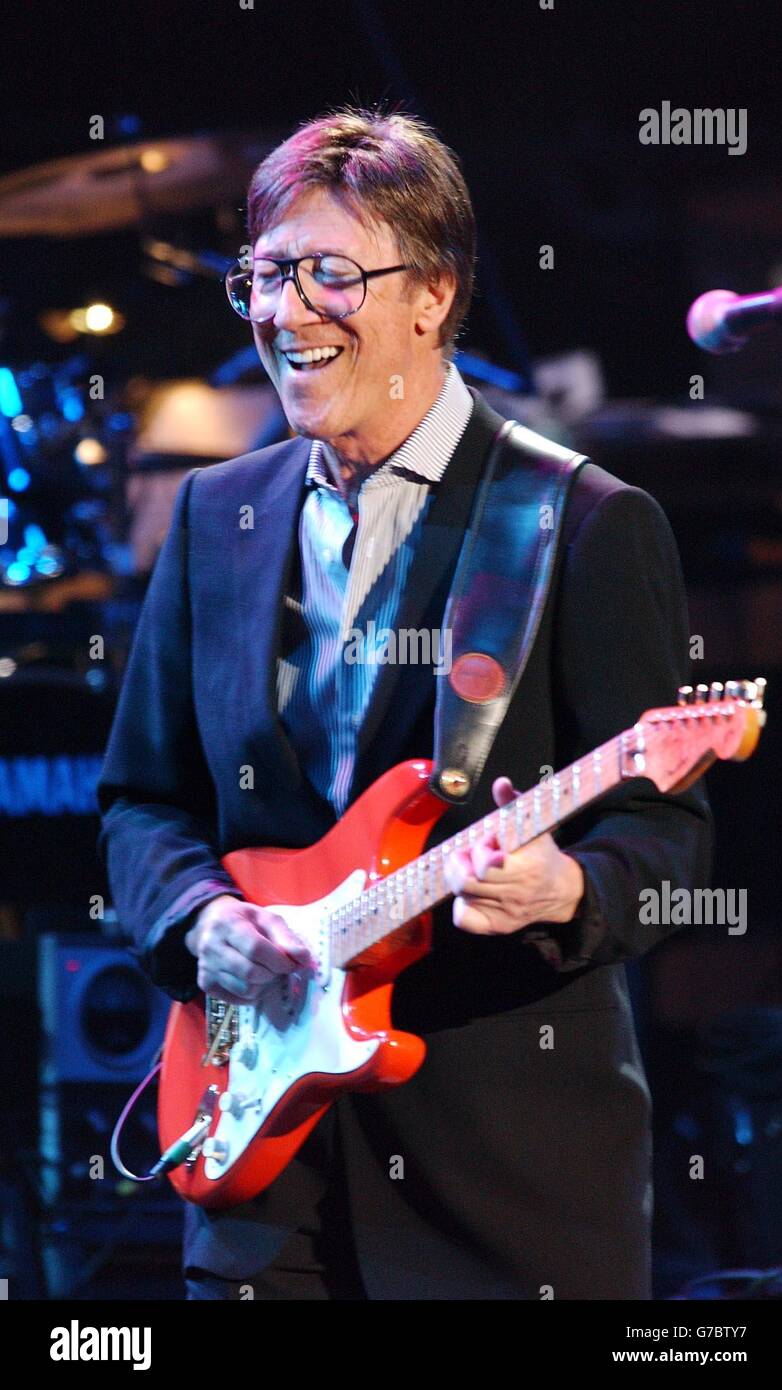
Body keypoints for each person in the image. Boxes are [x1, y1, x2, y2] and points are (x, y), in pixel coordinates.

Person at [98, 106, 712, 1300]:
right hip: (256, 1170)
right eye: (265, 277)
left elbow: (672, 842)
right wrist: (200, 921)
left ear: (430, 295)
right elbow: (139, 800)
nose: (284, 312)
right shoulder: (215, 518)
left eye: (329, 274)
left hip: (502, 1192)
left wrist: (571, 886)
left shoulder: (579, 522)